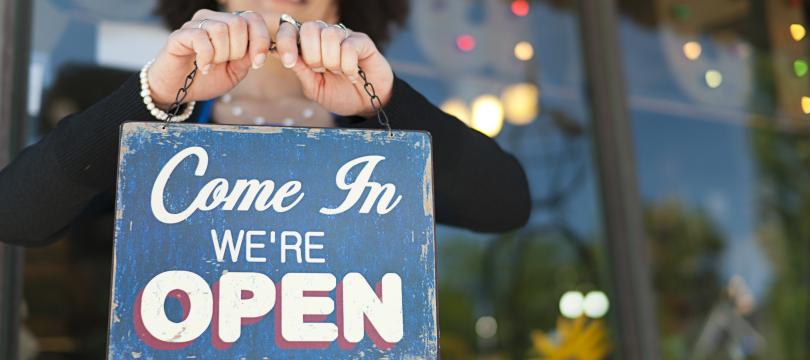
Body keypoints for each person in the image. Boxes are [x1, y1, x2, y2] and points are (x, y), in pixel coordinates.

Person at [0, 0, 531, 247]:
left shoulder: (372, 133)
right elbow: (17, 215)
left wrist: (383, 102)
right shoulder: (162, 123)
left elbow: (504, 204)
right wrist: (155, 96)